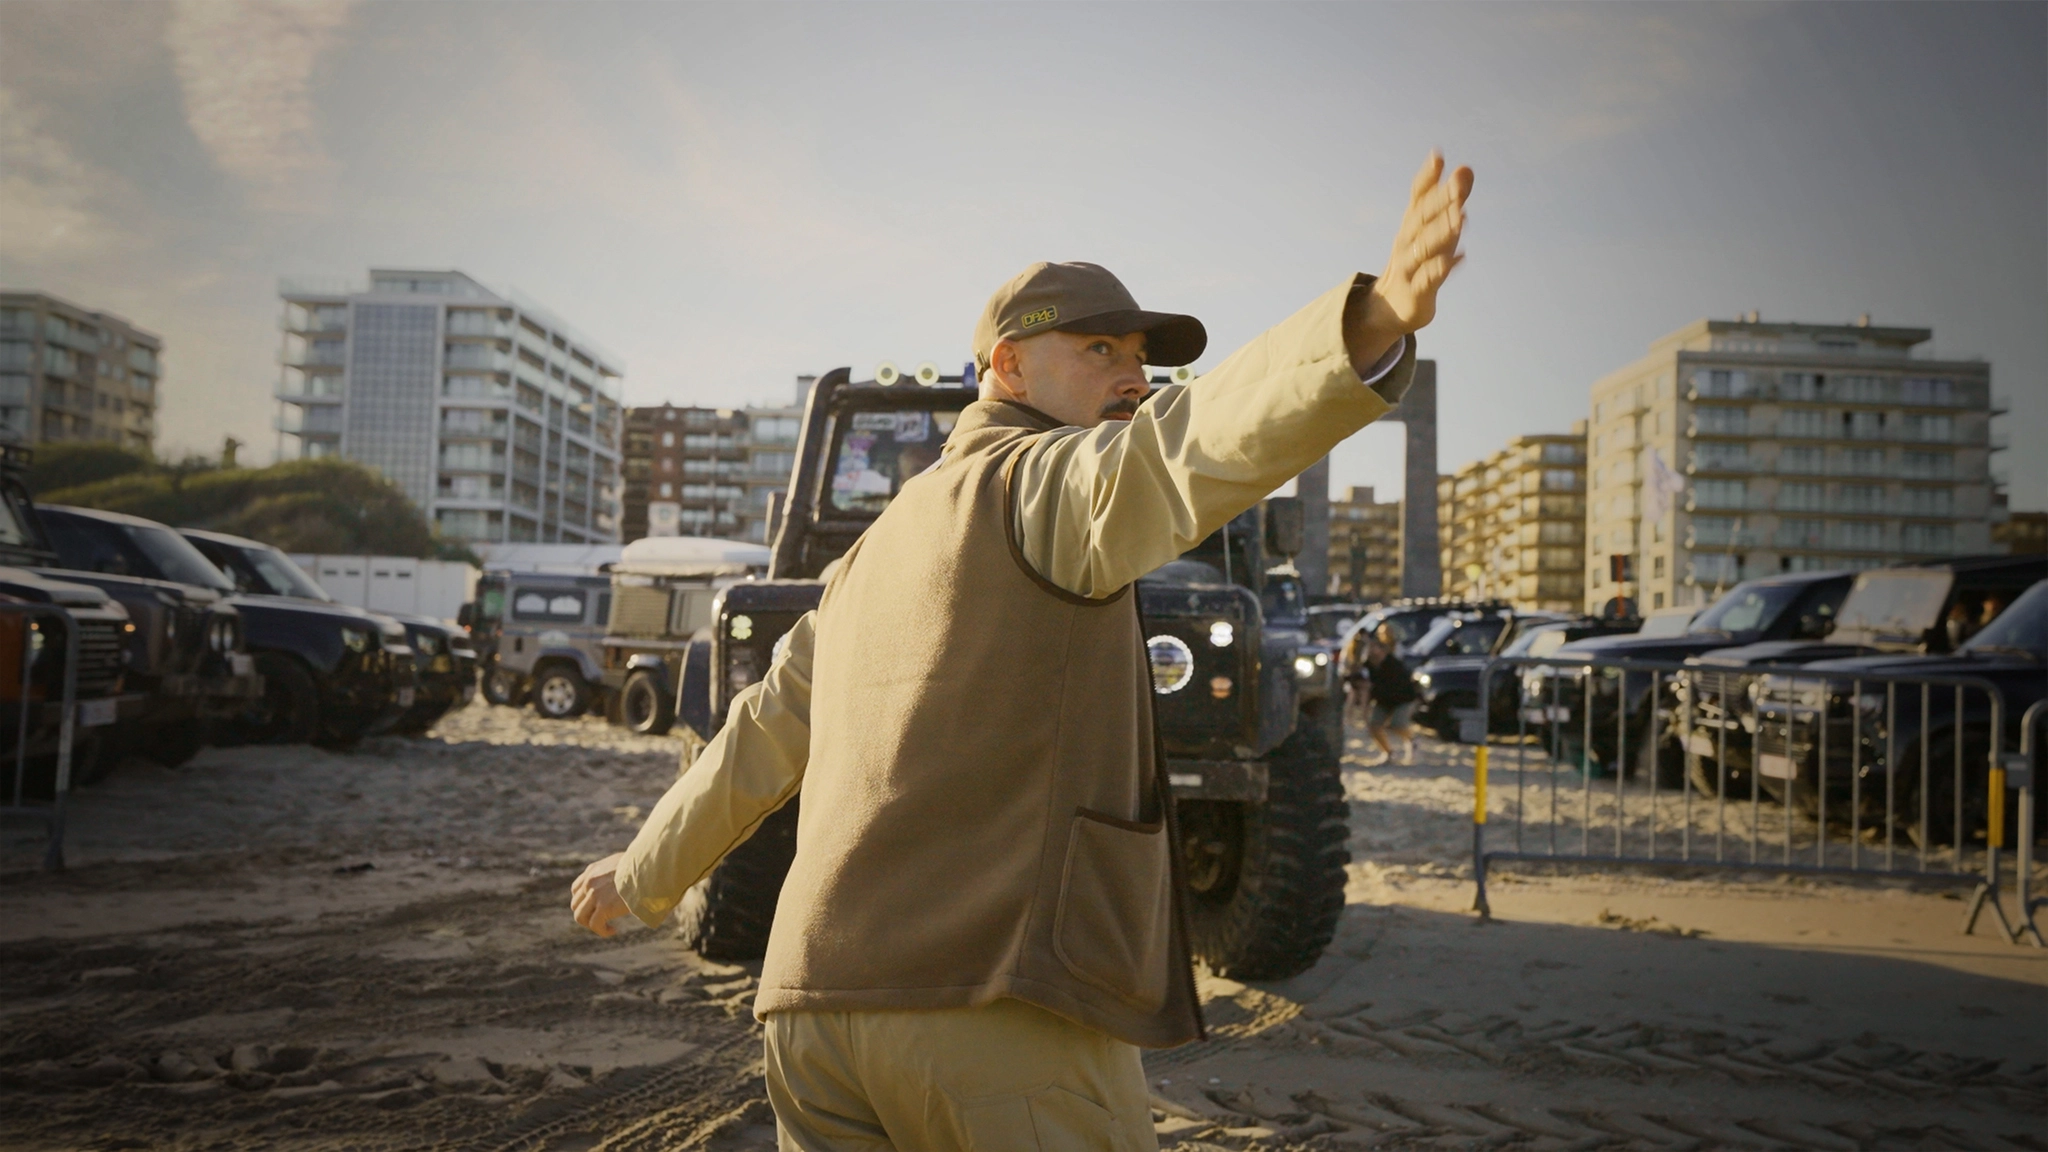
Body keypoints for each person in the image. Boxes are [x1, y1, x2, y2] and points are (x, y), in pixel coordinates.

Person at [570, 153, 1472, 1148]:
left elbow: (758, 739)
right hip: (991, 1011)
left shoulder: (869, 554)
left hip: (813, 1017)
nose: (1132, 376)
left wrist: (644, 873)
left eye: (1140, 358)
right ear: (1006, 366)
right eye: (1097, 349)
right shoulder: (1038, 486)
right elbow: (1184, 448)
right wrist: (1366, 327)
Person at [1361, 624, 1421, 765]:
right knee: (1374, 725)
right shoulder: (1369, 665)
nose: (1371, 652)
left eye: (1374, 648)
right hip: (1383, 699)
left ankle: (1412, 740)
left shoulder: (1393, 665)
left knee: (1397, 724)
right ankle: (1388, 752)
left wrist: (1373, 690)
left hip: (1403, 699)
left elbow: (1397, 688)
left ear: (1383, 651)